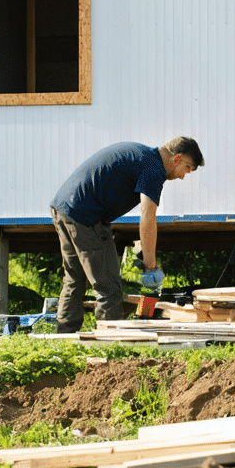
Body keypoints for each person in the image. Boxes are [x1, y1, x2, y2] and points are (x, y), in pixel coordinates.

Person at [49, 137, 203, 333]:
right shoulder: (153, 169)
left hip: (63, 207)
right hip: (85, 215)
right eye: (187, 168)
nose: (183, 176)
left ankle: (64, 337)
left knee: (74, 279)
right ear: (177, 159)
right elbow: (148, 217)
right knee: (109, 288)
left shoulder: (142, 155)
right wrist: (150, 266)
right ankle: (110, 343)